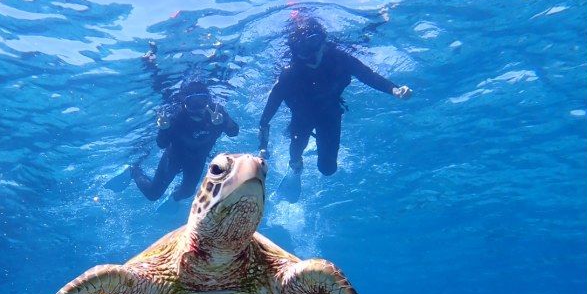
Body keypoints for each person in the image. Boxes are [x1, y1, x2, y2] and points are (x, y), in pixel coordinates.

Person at [257, 13, 412, 202]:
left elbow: (367, 75)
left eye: (314, 52)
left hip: (330, 115)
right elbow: (265, 118)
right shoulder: (288, 76)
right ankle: (296, 167)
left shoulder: (340, 59)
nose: (311, 61)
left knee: (328, 169)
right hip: (301, 118)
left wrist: (394, 89)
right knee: (296, 152)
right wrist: (263, 147)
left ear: (324, 43)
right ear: (296, 54)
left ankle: (311, 154)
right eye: (304, 56)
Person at [107, 45, 239, 202]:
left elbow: (234, 132)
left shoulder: (216, 114)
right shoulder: (177, 118)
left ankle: (174, 196)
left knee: (187, 193)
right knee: (153, 195)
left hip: (198, 160)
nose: (197, 109)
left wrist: (225, 122)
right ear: (184, 104)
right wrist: (163, 129)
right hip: (174, 158)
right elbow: (162, 144)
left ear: (208, 101)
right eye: (192, 103)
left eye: (202, 102)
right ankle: (133, 170)